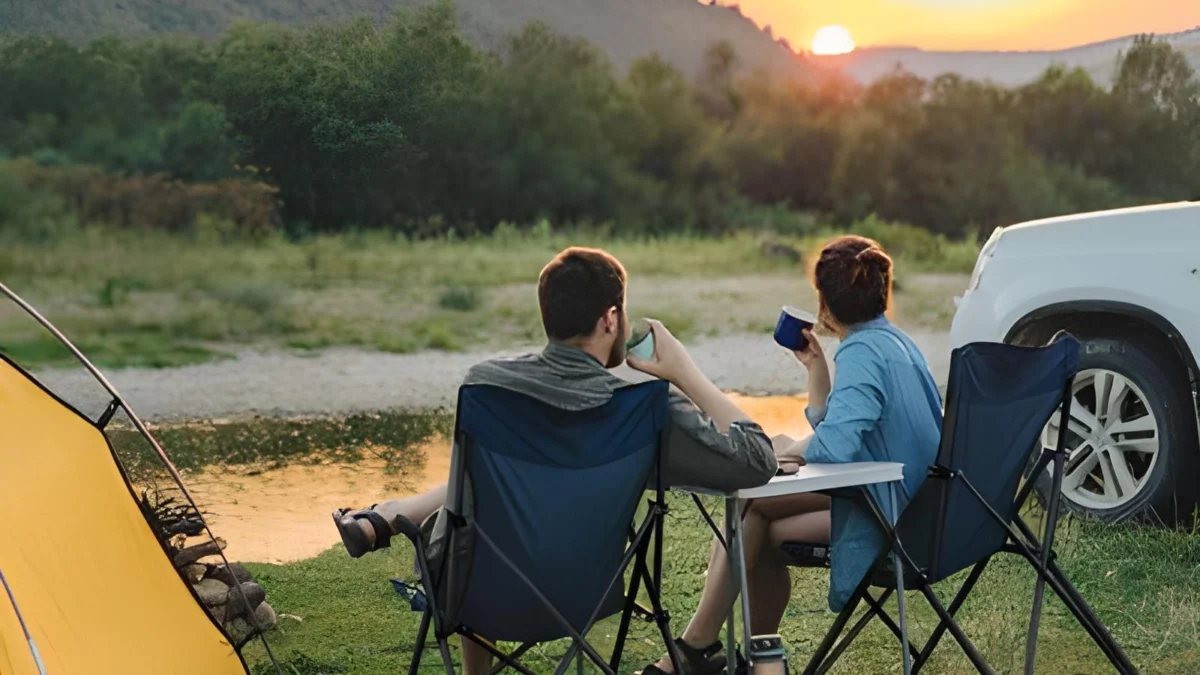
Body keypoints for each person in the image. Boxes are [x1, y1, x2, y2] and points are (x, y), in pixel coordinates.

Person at [332, 246, 778, 675]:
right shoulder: (644, 410)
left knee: (471, 515)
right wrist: (684, 372)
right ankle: (388, 516)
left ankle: (389, 517)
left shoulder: (488, 387)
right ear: (610, 318)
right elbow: (759, 461)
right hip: (586, 596)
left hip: (477, 592)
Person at [639, 235, 943, 675]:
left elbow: (837, 447)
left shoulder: (862, 352)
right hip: (911, 504)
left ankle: (697, 649)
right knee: (758, 521)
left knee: (751, 506)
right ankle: (755, 659)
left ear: (824, 303)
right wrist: (817, 372)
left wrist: (791, 450)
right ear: (882, 291)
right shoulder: (895, 343)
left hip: (889, 516)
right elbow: (852, 430)